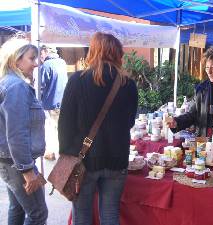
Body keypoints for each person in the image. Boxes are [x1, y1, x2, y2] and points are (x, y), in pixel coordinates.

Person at [58, 32, 138, 225]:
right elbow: (129, 122)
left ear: (93, 51)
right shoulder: (128, 84)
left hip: (83, 160)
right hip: (117, 159)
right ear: (117, 54)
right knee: (110, 213)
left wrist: (66, 155)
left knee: (82, 214)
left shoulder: (77, 80)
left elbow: (65, 124)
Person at [0, 37, 48, 225]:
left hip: (11, 162)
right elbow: (16, 133)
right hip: (18, 164)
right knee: (38, 214)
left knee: (18, 208)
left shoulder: (9, 83)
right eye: (31, 58)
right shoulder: (16, 87)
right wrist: (27, 170)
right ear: (16, 60)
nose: (36, 64)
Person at [39, 45, 68, 160]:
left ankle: (50, 153)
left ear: (45, 51)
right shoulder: (62, 62)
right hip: (63, 101)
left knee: (50, 129)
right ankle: (63, 152)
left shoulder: (46, 65)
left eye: (41, 53)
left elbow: (40, 85)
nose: (40, 56)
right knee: (60, 128)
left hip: (50, 103)